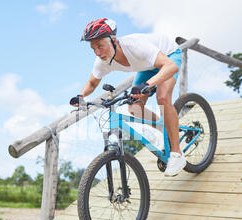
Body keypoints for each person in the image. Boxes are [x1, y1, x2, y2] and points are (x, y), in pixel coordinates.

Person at [70, 18, 186, 177]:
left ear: (113, 41)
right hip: (147, 66)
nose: (97, 52)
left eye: (100, 46)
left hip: (168, 56)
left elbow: (170, 67)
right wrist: (81, 96)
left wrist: (149, 84)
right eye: (93, 48)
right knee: (135, 108)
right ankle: (165, 129)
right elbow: (92, 83)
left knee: (162, 97)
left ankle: (177, 154)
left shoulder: (135, 46)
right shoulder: (102, 61)